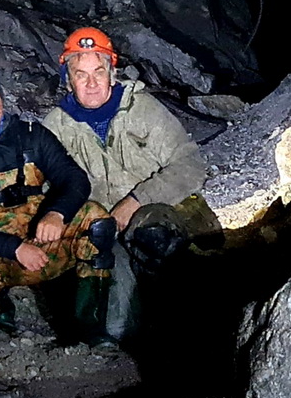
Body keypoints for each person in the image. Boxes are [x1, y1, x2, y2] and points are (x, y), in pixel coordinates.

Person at [42, 27, 219, 341]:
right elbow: (47, 191)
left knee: (156, 236)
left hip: (155, 215)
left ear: (112, 72)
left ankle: (187, 314)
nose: (91, 83)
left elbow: (190, 165)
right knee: (117, 328)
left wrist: (137, 200)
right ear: (68, 80)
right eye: (81, 74)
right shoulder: (55, 127)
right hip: (104, 234)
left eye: (99, 71)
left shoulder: (142, 109)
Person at [0, 68, 116, 341]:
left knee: (96, 219)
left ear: (2, 101)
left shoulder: (33, 136)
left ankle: (90, 325)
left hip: (44, 239)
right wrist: (15, 248)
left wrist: (57, 213)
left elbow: (74, 179)